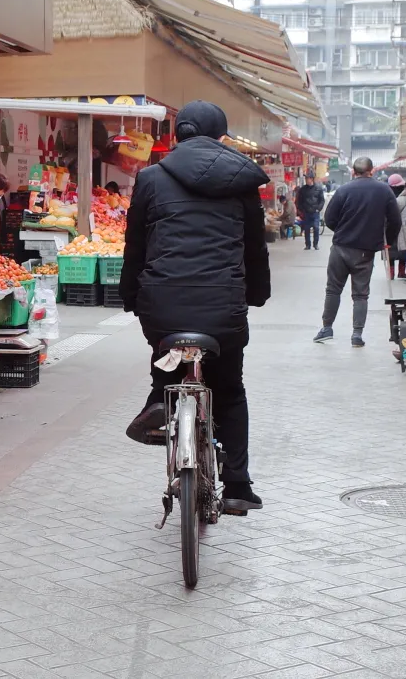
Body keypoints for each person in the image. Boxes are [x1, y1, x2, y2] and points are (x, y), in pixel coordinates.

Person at [120, 100, 270, 513]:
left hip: (162, 303)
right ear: (221, 137)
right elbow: (254, 249)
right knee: (229, 390)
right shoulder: (242, 180)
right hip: (223, 306)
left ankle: (157, 399)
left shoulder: (150, 178)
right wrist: (256, 293)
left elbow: (137, 246)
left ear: (179, 134)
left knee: (164, 350)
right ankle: (238, 486)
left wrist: (131, 297)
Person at [313, 157, 401, 347]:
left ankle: (327, 328)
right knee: (361, 294)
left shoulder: (343, 190)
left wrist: (344, 231)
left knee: (333, 289)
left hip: (340, 248)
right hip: (365, 251)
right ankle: (356, 334)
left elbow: (329, 218)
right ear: (372, 171)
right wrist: (388, 241)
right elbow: (395, 220)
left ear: (354, 172)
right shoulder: (384, 190)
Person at [296, 171, 326, 250]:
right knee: (306, 229)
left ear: (312, 179)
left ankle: (315, 244)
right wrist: (302, 209)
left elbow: (322, 200)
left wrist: (318, 209)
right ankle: (307, 245)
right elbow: (299, 200)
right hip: (306, 212)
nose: (306, 180)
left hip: (315, 212)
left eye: (308, 178)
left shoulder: (318, 188)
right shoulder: (303, 189)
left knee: (316, 228)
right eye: (306, 178)